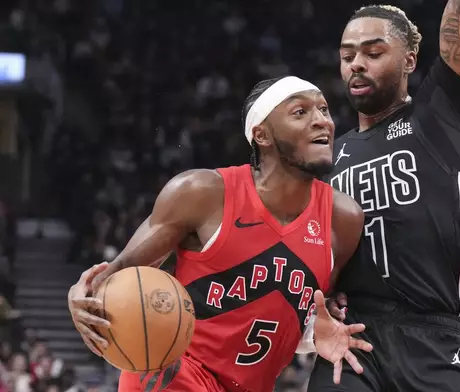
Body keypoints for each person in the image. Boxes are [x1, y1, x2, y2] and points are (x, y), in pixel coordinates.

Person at [67, 76, 373, 392]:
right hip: (175, 375)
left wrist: (315, 333)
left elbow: (300, 317)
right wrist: (82, 293)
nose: (322, 121)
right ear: (262, 135)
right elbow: (115, 277)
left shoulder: (343, 219)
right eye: (301, 112)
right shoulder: (202, 193)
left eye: (324, 110)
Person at [307, 3, 460, 392]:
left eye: (373, 53)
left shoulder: (443, 116)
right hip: (354, 337)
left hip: (432, 340)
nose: (356, 63)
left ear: (409, 59)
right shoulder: (328, 160)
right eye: (347, 55)